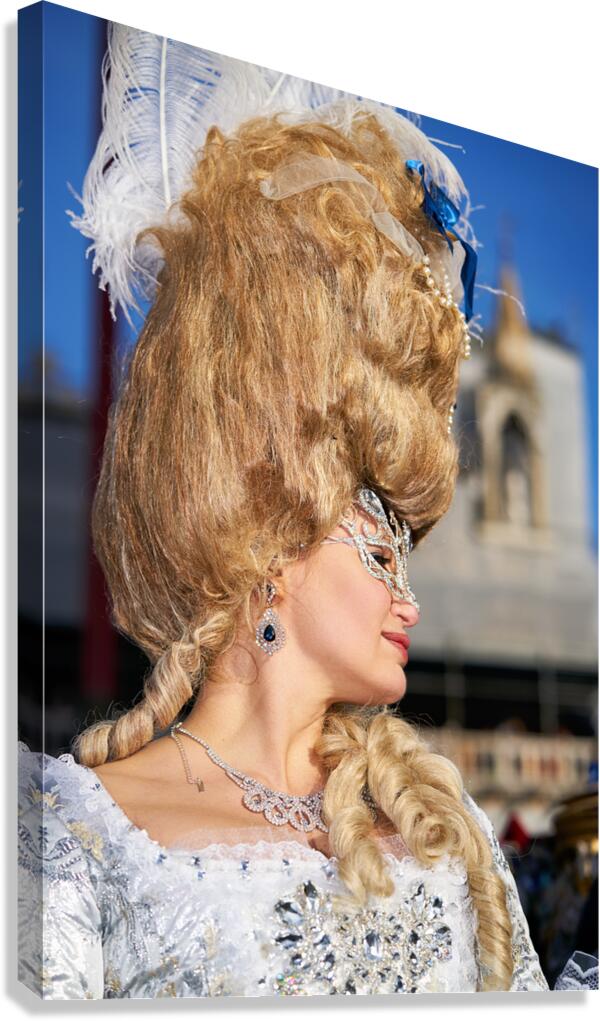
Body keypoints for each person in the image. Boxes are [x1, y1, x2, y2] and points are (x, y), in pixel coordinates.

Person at [18, 21, 557, 999]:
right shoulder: (73, 840)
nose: (411, 602)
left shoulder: (449, 828)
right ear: (273, 533)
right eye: (385, 548)